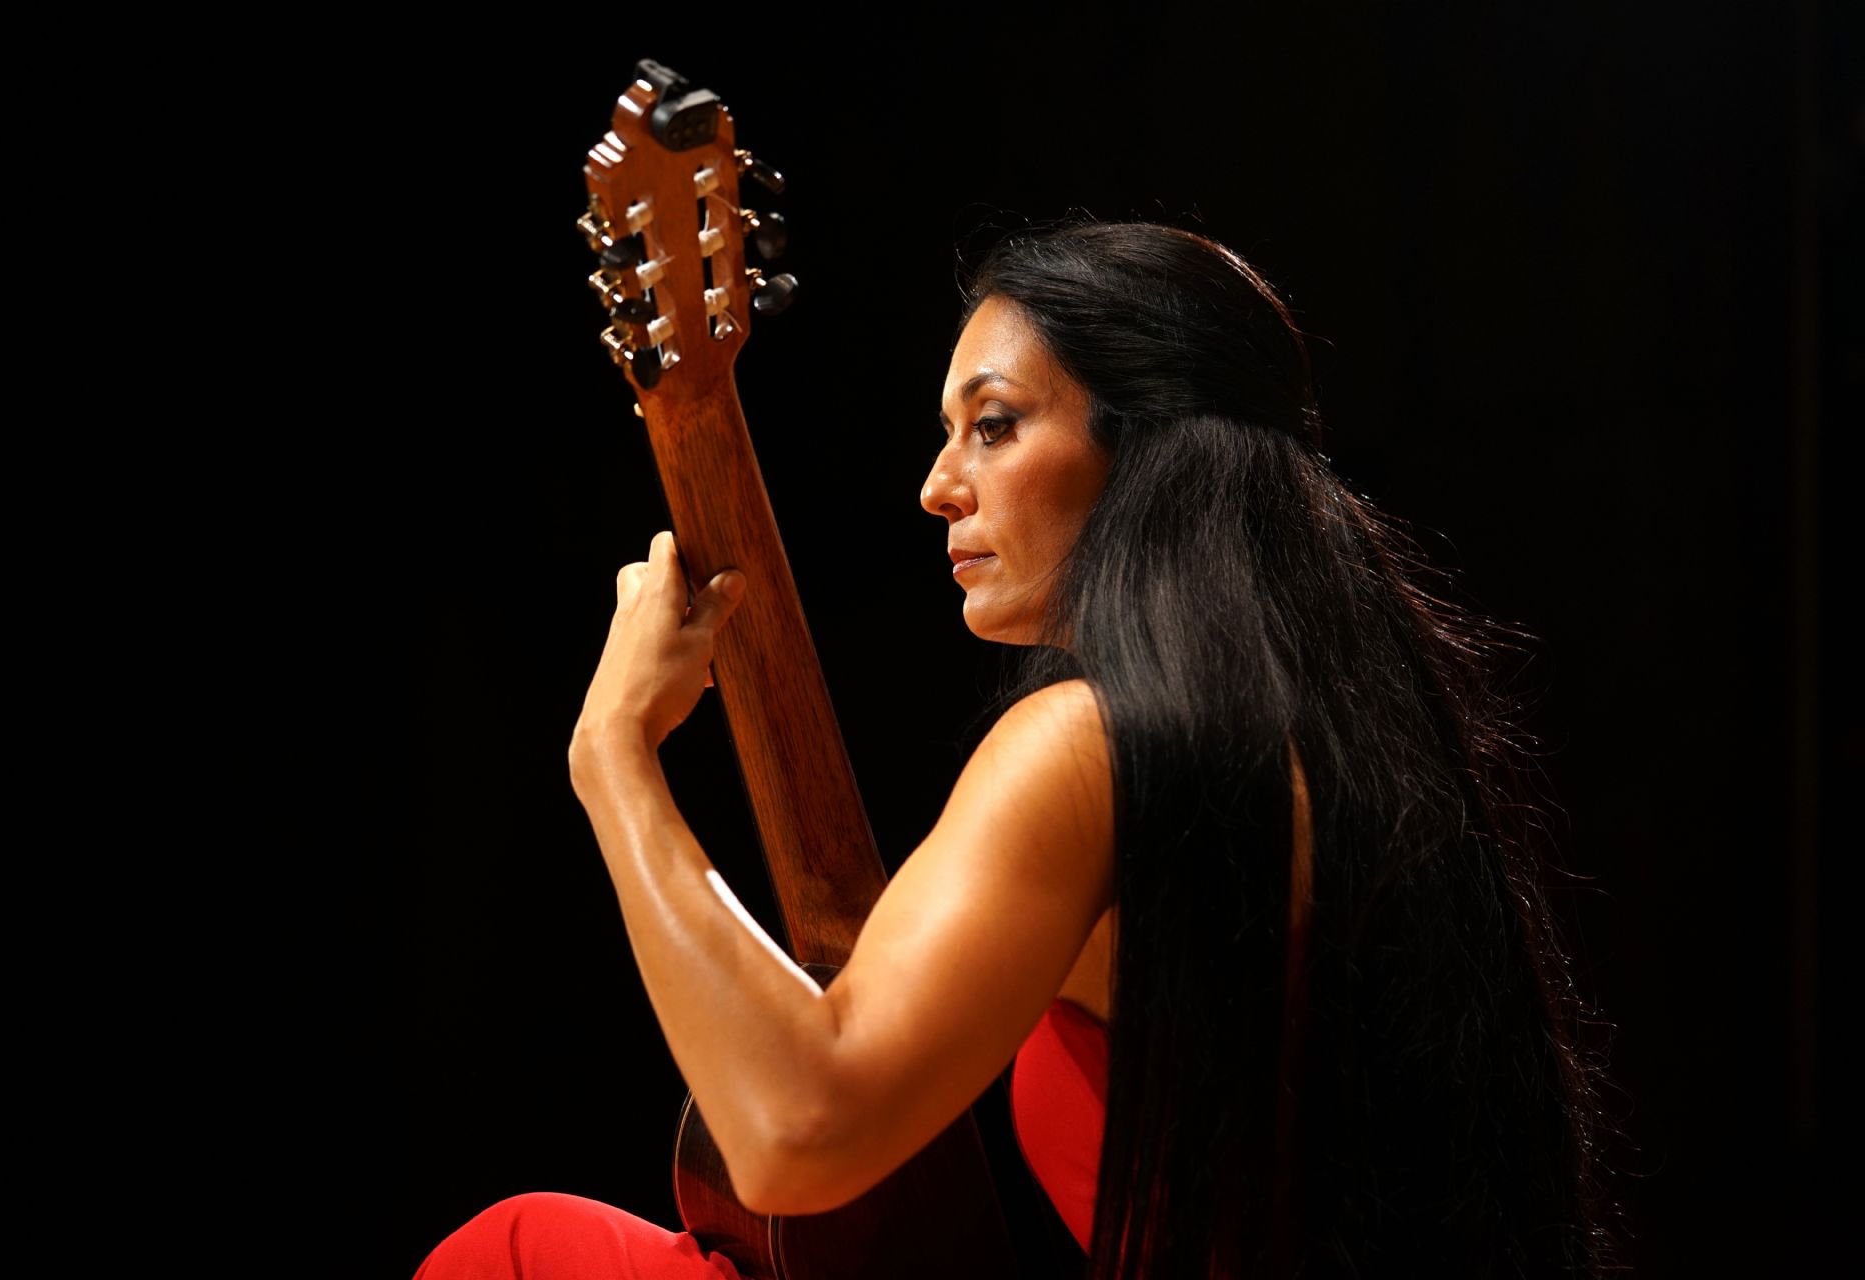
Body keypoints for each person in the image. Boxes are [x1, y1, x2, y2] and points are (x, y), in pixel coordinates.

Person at [414, 218, 1616, 1278]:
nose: (939, 486)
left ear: (1144, 448)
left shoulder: (1094, 746)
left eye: (993, 426)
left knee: (526, 1250)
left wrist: (613, 757)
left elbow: (794, 1128)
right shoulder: (1352, 739)